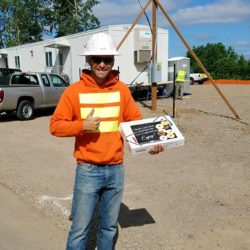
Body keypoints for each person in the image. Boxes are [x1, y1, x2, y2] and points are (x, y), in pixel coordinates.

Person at [50, 32, 164, 250]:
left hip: (115, 171)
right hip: (88, 171)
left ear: (113, 61)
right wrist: (82, 126)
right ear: (88, 60)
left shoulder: (121, 90)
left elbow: (135, 124)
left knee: (108, 228)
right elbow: (55, 125)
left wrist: (150, 144)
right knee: (79, 230)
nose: (102, 64)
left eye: (107, 59)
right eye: (97, 59)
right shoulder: (74, 91)